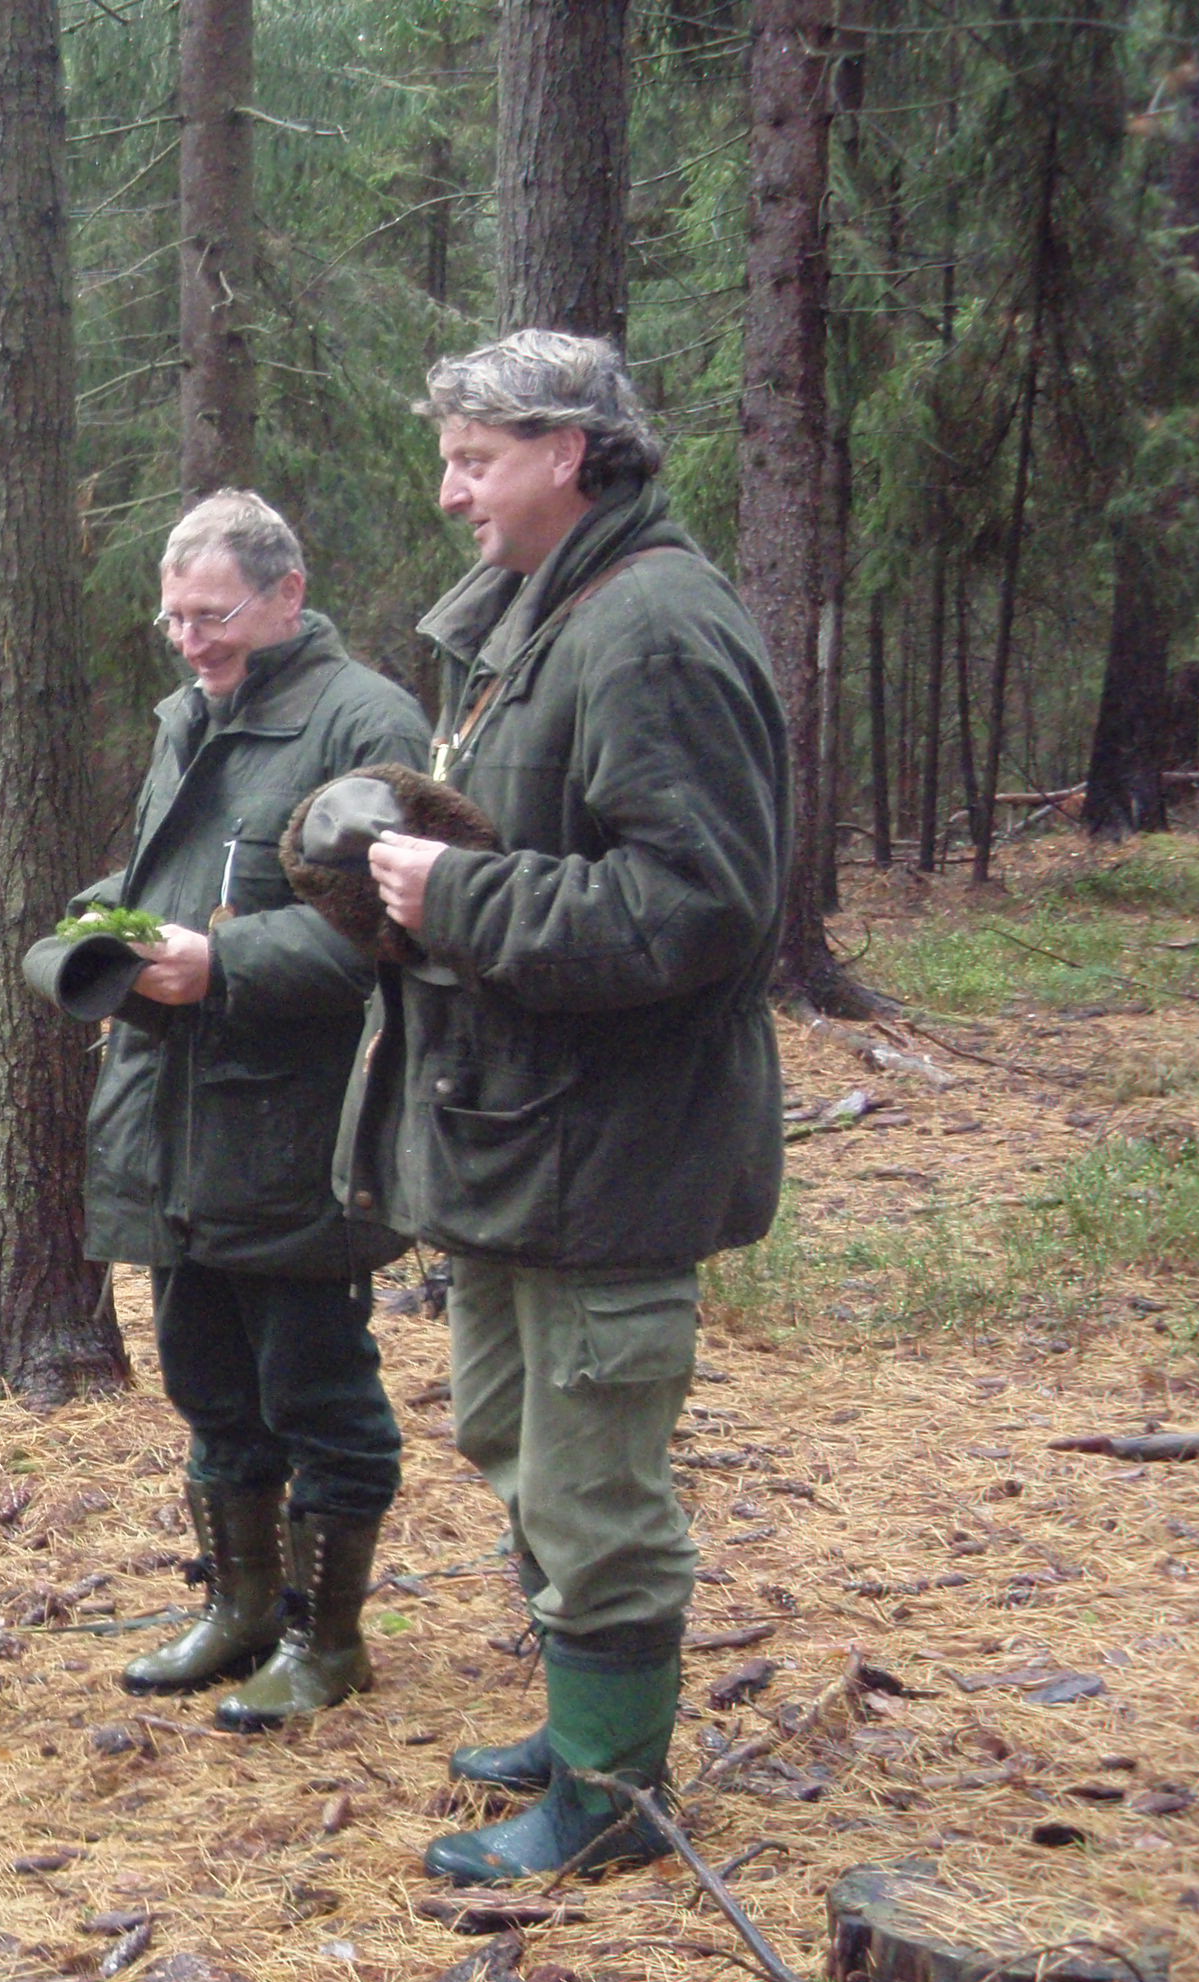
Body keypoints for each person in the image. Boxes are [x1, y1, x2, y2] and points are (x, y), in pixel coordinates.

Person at [344, 332, 787, 1882]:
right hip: (523, 1136)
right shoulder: (549, 616)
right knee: (513, 1434)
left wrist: (461, 894)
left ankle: (611, 1801)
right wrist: (408, 889)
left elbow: (702, 907)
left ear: (572, 454)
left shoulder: (652, 627)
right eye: (449, 455)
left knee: (594, 1480)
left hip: (612, 1147)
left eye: (478, 457)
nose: (452, 490)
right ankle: (585, 1716)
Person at [40, 490, 427, 1727]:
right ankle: (241, 1608)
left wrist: (225, 962)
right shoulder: (190, 717)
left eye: (212, 615)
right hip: (173, 1120)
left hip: (297, 1131)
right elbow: (182, 876)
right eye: (174, 619)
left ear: (287, 596)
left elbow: (385, 941)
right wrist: (101, 919)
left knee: (320, 1390)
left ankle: (329, 1640)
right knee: (208, 1382)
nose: (192, 640)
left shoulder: (366, 721)